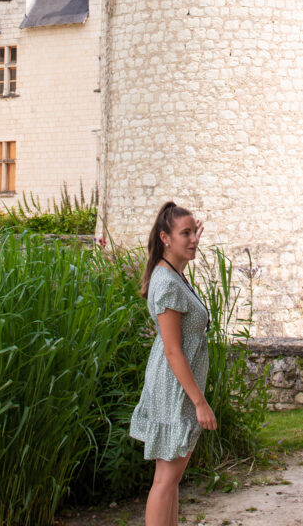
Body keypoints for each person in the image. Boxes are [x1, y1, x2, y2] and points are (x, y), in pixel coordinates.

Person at [129, 201, 215, 526]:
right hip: (175, 391)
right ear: (165, 238)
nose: (194, 239)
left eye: (195, 232)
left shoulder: (173, 273)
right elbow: (173, 352)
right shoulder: (166, 282)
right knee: (165, 482)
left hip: (176, 388)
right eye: (185, 234)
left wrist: (189, 236)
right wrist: (200, 403)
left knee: (170, 481)